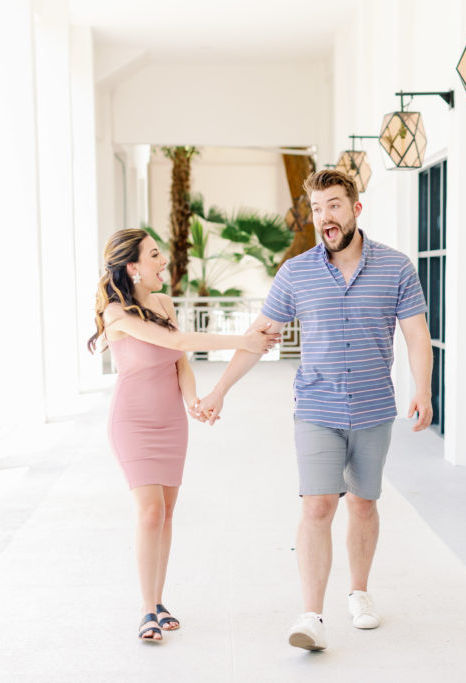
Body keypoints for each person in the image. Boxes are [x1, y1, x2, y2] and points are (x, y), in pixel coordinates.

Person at [194, 169, 433, 651]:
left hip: (373, 408)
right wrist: (219, 390)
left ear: (356, 209)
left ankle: (360, 594)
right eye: (317, 208)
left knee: (364, 503)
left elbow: (415, 334)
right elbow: (257, 336)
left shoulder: (397, 267)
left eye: (334, 206)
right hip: (317, 407)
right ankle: (312, 615)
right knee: (318, 505)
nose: (324, 217)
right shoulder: (296, 272)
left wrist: (424, 391)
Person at [87, 228, 280, 642]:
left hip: (170, 421)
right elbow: (177, 339)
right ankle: (145, 610)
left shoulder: (161, 302)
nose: (164, 262)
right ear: (133, 267)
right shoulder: (117, 315)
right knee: (150, 512)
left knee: (168, 513)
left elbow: (180, 360)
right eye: (155, 255)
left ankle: (158, 600)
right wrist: (243, 339)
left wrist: (193, 400)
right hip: (132, 422)